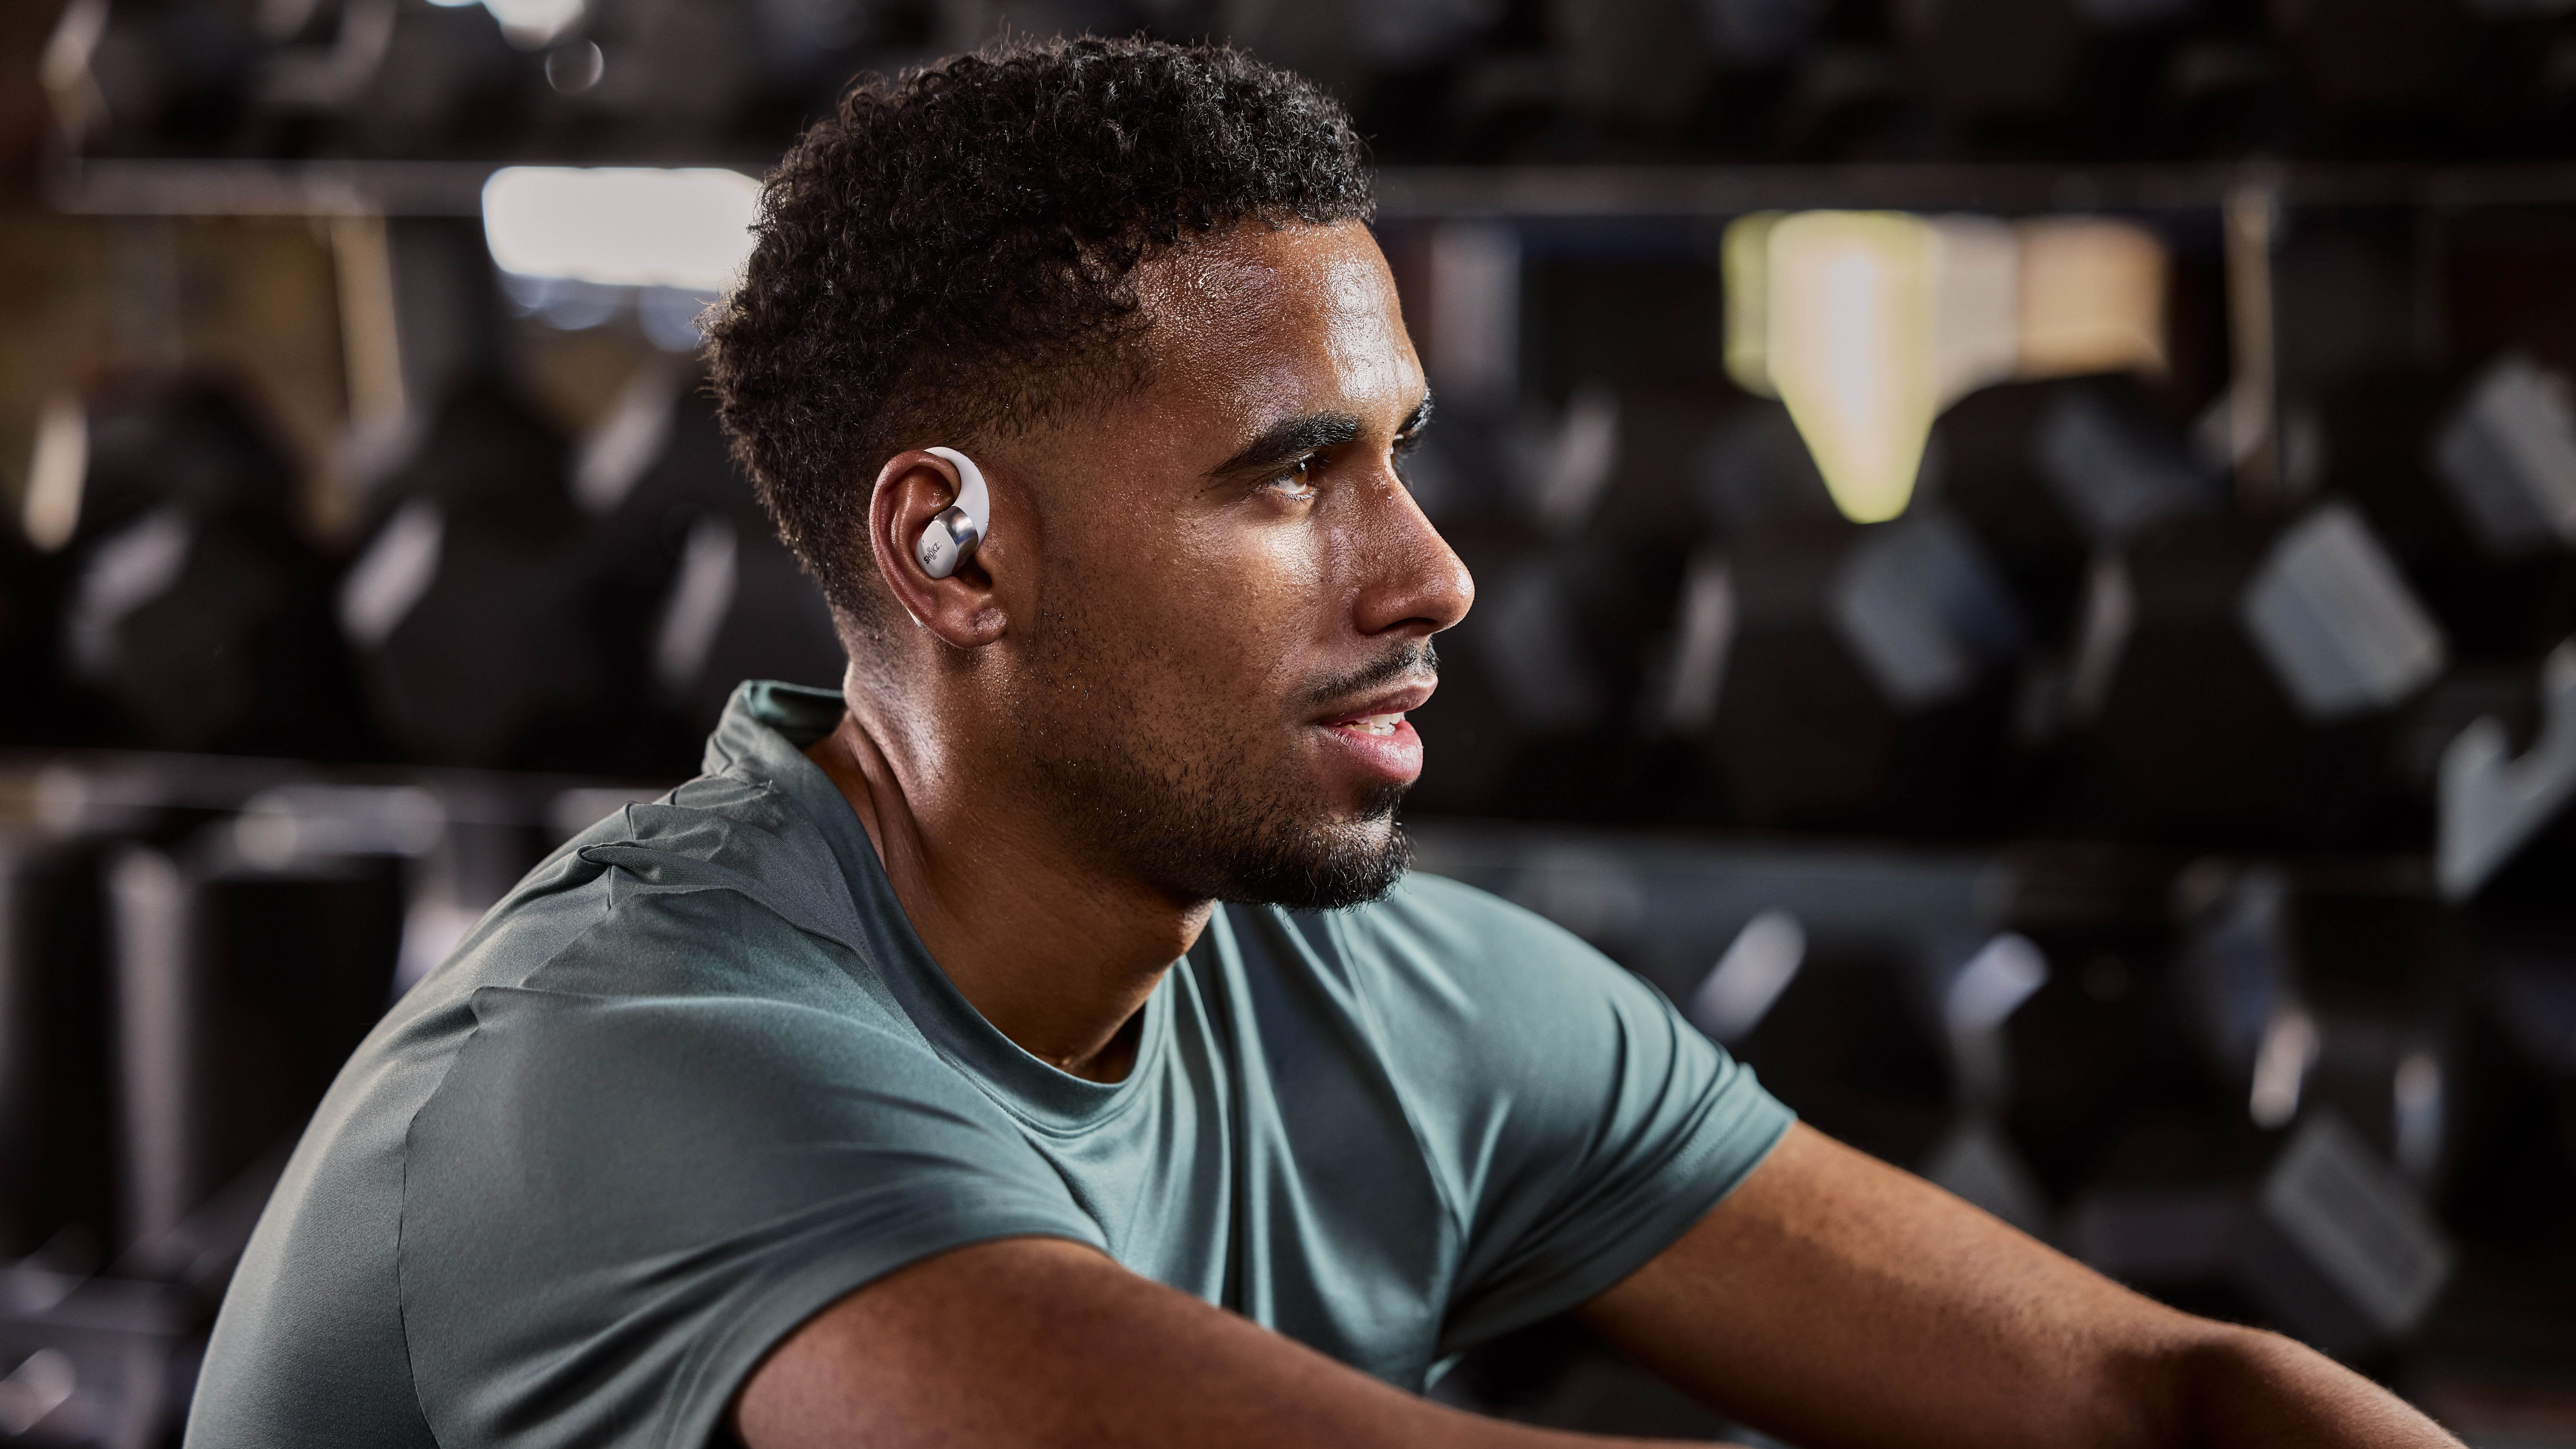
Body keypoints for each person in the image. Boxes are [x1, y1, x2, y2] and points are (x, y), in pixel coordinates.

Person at [188, 35, 2461, 1449]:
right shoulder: (641, 1076)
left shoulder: (1402, 1009)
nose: (1432, 576)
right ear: (955, 549)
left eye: (1403, 453)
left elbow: (2165, 1395)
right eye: (1291, 479)